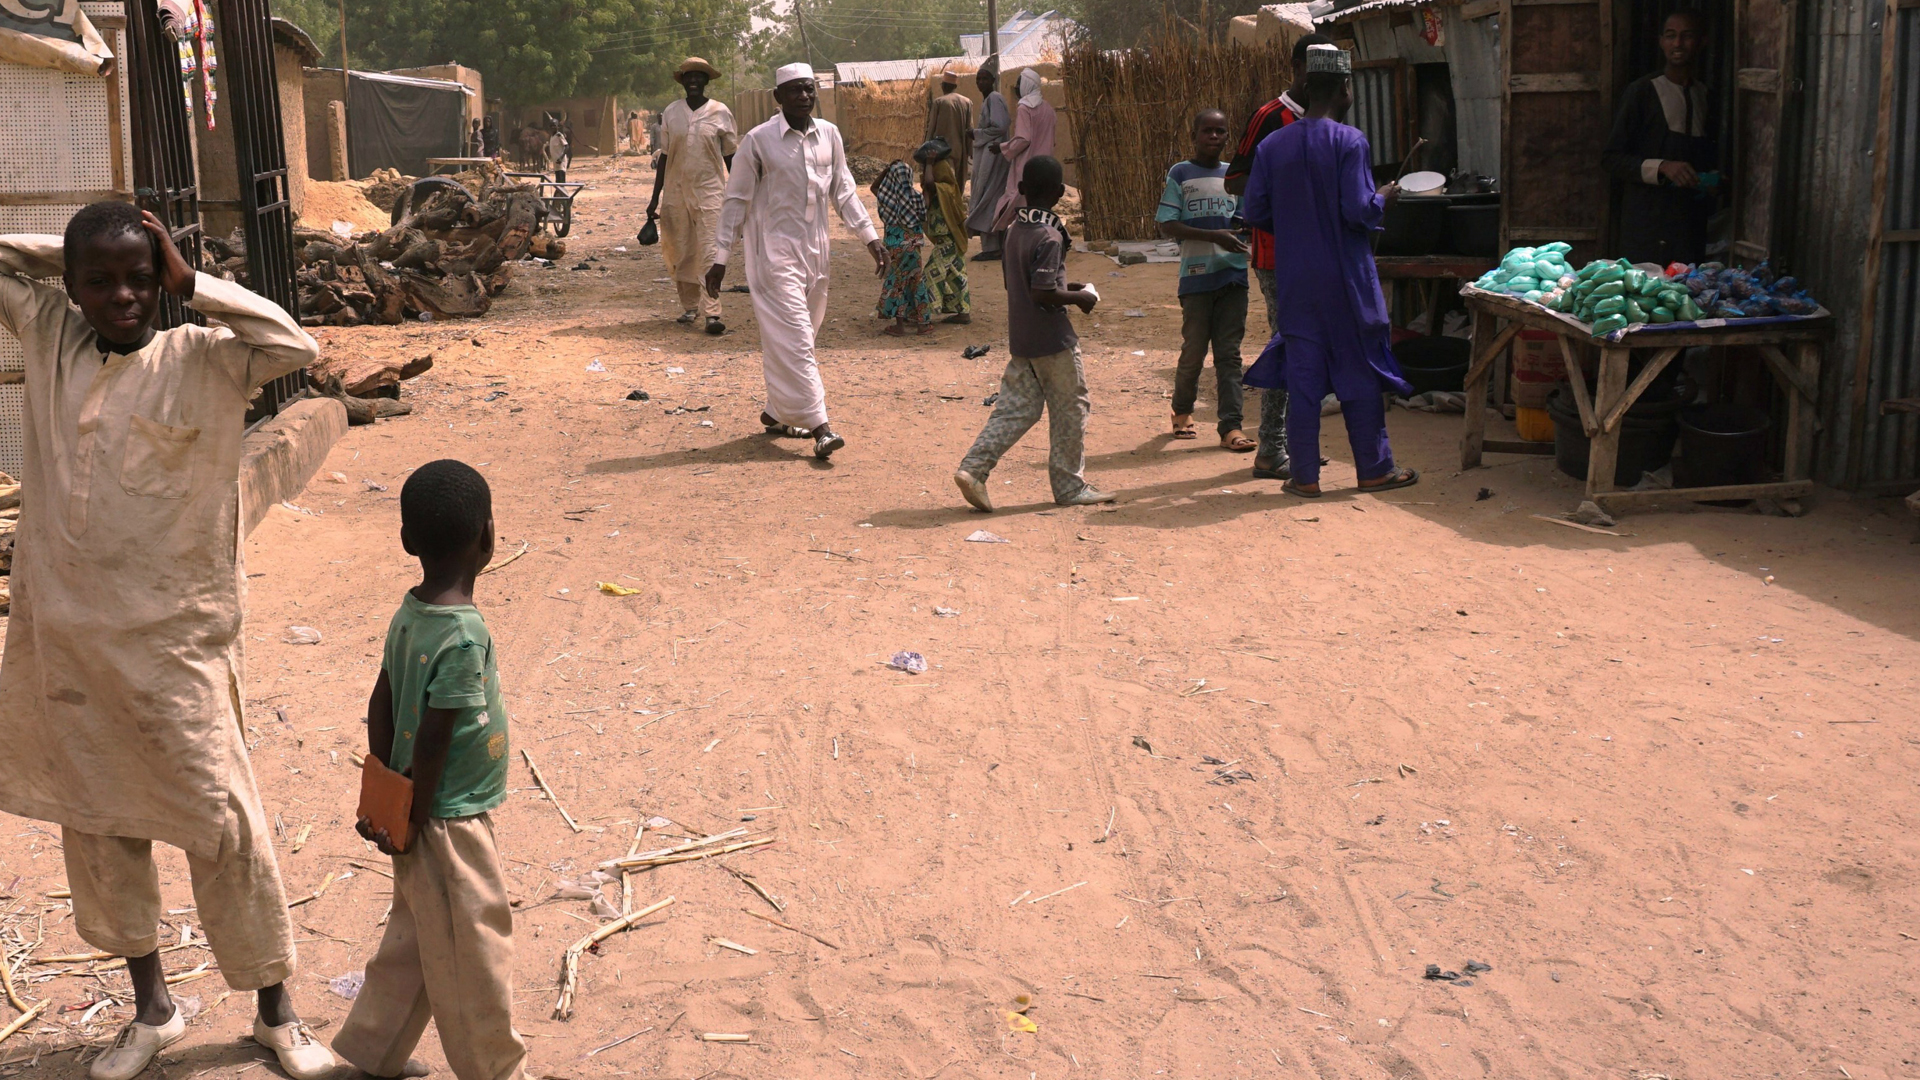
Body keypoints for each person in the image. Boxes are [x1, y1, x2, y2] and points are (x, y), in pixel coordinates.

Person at [0, 203, 332, 1080]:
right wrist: (75, 250)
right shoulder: (49, 338)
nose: (122, 297)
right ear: (68, 290)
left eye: (139, 280)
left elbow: (294, 343)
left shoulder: (208, 359)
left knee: (222, 823)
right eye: (100, 281)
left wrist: (189, 278)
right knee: (102, 826)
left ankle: (275, 1013)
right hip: (68, 645)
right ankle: (151, 1007)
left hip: (176, 644)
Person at [331, 459, 528, 1080]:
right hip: (450, 819)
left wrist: (388, 796)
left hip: (416, 810)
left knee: (415, 943)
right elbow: (439, 737)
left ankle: (374, 1052)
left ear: (407, 541)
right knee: (475, 951)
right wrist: (414, 810)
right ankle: (496, 1071)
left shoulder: (411, 612)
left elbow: (382, 698)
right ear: (489, 537)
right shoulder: (465, 636)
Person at [1242, 44, 1419, 498]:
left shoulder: (1273, 144)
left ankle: (1304, 477)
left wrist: (1297, 221)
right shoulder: (1350, 141)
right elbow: (1358, 212)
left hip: (1297, 277)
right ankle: (1374, 470)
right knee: (1358, 372)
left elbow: (1256, 210)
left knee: (1303, 378)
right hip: (1347, 279)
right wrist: (1384, 197)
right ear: (1344, 87)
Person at [707, 63, 886, 460]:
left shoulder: (831, 136)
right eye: (795, 91)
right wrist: (721, 257)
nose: (804, 97)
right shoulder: (758, 142)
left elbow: (843, 192)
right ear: (778, 98)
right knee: (798, 339)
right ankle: (820, 427)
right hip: (772, 254)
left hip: (817, 254)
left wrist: (870, 238)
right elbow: (735, 203)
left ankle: (776, 411)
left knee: (798, 336)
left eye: (808, 90)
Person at [954, 156, 1113, 511]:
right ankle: (1069, 487)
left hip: (1023, 338)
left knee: (1016, 409)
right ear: (1059, 193)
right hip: (1053, 341)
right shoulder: (1050, 235)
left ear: (1022, 190)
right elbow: (1042, 293)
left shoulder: (1013, 232)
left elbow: (1021, 284)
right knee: (1072, 409)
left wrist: (1064, 284)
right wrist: (1080, 298)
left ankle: (973, 469)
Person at [1226, 31, 1332, 480]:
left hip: (1316, 251)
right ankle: (1271, 448)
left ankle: (1285, 445)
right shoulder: (1272, 116)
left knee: (1302, 344)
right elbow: (1235, 180)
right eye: (1316, 71)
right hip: (1276, 254)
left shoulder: (1330, 120)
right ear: (1297, 69)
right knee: (1288, 343)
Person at [1156, 108, 1254, 452]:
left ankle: (1231, 427)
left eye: (1221, 132)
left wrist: (1242, 232)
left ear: (1229, 136)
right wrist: (1215, 236)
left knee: (1229, 355)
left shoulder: (1235, 176)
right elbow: (1167, 223)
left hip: (1233, 277)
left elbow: (1244, 220)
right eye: (1207, 131)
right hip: (1196, 281)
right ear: (1194, 135)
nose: (1214, 137)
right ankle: (1182, 411)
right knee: (1194, 352)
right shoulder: (1180, 174)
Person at [1601, 10, 1717, 266]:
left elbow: (1706, 157)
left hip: (1688, 227)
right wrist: (1663, 166)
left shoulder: (1704, 96)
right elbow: (1611, 158)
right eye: (1671, 36)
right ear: (1661, 41)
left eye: (1687, 36)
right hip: (1647, 225)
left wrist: (1711, 179)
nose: (1678, 44)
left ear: (1702, 41)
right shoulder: (1642, 92)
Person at [647, 57, 738, 335]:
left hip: (710, 193)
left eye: (699, 77)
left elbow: (731, 156)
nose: (694, 81)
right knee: (681, 249)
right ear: (683, 81)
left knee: (710, 251)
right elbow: (663, 157)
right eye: (689, 77)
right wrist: (654, 199)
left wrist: (739, 194)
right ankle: (689, 306)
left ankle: (713, 313)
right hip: (675, 193)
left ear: (707, 80)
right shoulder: (672, 112)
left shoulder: (721, 112)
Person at [989, 69, 1059, 242]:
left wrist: (1002, 147)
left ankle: (1005, 239)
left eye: (1020, 83)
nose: (1018, 87)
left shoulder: (1024, 107)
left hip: (1028, 166)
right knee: (1040, 204)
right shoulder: (1048, 109)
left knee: (1015, 200)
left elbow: (1023, 138)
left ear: (1027, 85)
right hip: (1047, 166)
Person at [872, 160, 935, 336]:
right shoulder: (916, 197)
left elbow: (873, 188)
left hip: (894, 248)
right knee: (916, 281)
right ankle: (923, 324)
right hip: (913, 247)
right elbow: (925, 209)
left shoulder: (886, 197)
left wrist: (886, 169)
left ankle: (899, 326)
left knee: (897, 283)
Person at [917, 139, 971, 324]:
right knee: (955, 274)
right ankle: (962, 312)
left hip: (948, 240)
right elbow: (926, 189)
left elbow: (931, 184)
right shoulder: (937, 189)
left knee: (931, 273)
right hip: (947, 240)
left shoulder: (946, 188)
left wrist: (930, 164)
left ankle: (923, 313)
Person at [966, 61, 1011, 261]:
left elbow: (999, 127)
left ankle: (993, 248)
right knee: (988, 196)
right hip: (988, 157)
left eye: (985, 78)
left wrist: (975, 133)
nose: (980, 82)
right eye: (978, 79)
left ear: (993, 80)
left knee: (989, 197)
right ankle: (994, 245)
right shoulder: (987, 101)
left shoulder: (994, 98)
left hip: (994, 157)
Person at [925, 67, 973, 191]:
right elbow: (970, 130)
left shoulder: (939, 102)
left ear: (944, 86)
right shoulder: (967, 102)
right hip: (960, 150)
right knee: (959, 184)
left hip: (942, 151)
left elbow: (931, 128)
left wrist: (926, 148)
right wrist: (970, 151)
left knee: (945, 186)